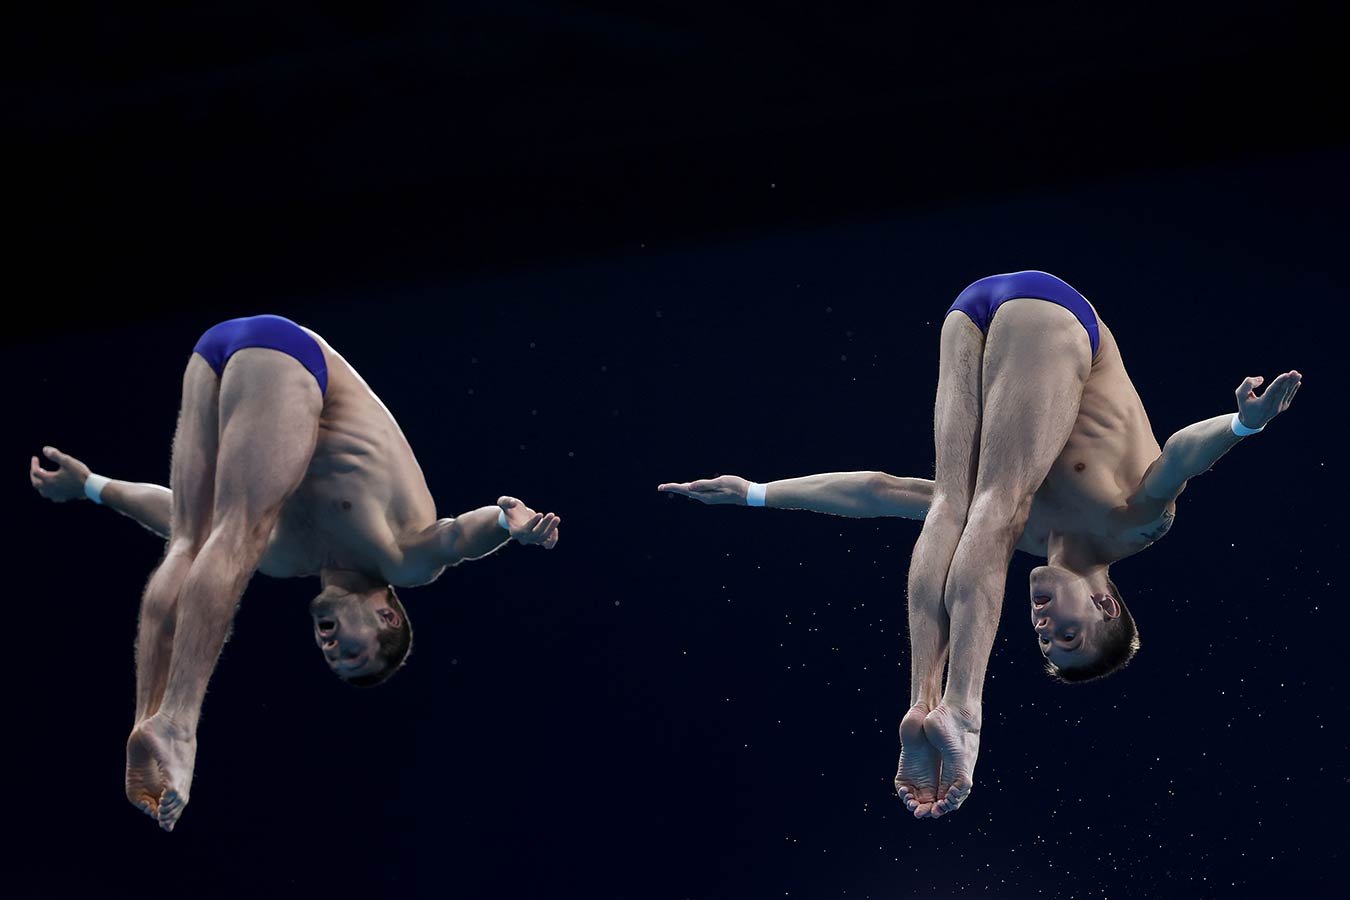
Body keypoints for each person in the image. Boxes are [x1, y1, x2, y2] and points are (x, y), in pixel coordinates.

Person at [659, 271, 1301, 820]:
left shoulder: (1011, 547)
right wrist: (1243, 424)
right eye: (1067, 634)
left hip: (969, 317)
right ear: (1105, 607)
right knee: (993, 503)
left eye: (1045, 641)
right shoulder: (1134, 526)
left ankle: (924, 702)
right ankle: (961, 711)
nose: (1044, 626)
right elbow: (1180, 459)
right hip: (1055, 316)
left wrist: (757, 492)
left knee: (951, 506)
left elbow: (881, 491)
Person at [29, 314, 562, 832]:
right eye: (353, 652)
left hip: (213, 351)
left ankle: (149, 717)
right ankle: (178, 727)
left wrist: (91, 486)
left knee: (191, 540)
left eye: (334, 662)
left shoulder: (288, 558)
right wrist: (504, 523)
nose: (331, 650)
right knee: (234, 535)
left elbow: (168, 510)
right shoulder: (400, 559)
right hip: (292, 357)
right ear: (388, 616)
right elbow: (456, 539)